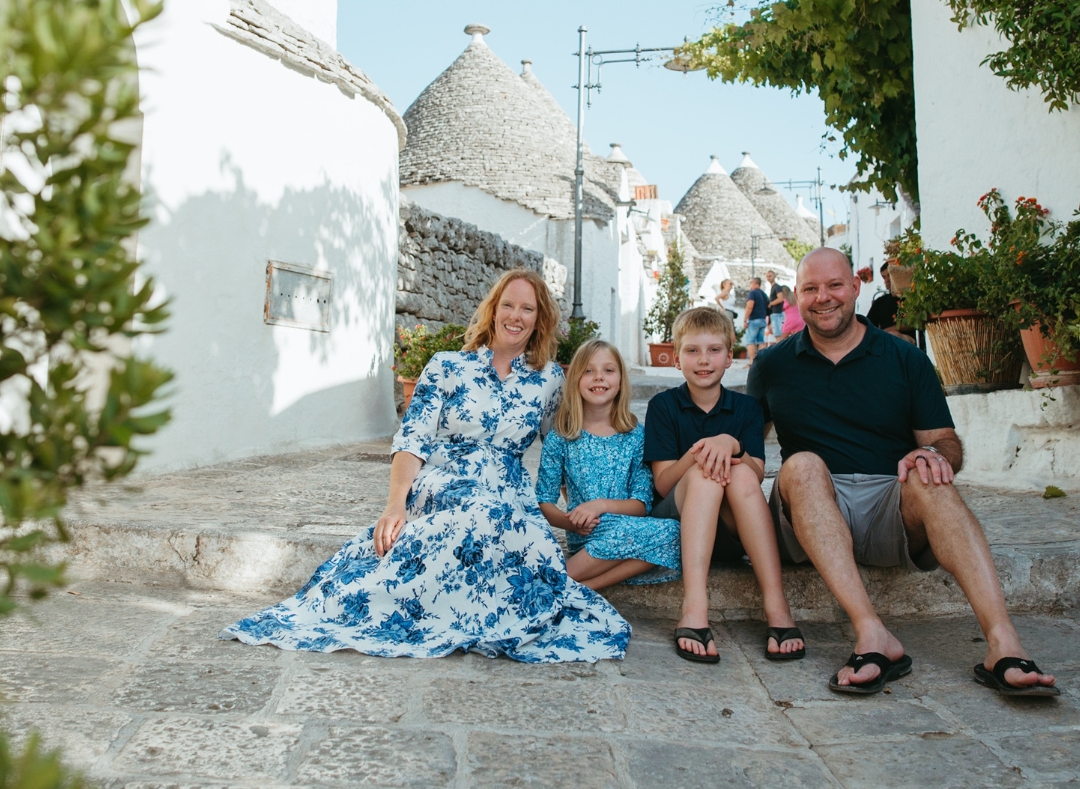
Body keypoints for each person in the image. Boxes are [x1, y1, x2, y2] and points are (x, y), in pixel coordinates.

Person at [220, 269, 631, 662]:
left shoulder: (548, 381)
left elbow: (567, 437)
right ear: (493, 310)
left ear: (539, 319)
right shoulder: (447, 366)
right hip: (444, 480)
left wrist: (613, 477)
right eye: (508, 305)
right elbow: (412, 439)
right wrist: (395, 504)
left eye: (527, 309)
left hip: (508, 490)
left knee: (526, 539)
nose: (516, 316)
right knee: (479, 511)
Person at [748, 248, 1059, 696]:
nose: (823, 297)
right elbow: (746, 445)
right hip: (811, 508)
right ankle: (872, 633)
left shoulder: (904, 357)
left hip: (890, 505)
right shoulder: (771, 365)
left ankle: (1003, 643)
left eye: (834, 285)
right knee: (801, 464)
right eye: (810, 289)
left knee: (932, 479)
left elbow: (946, 441)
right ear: (796, 297)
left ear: (856, 287)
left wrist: (934, 455)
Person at [643, 306, 804, 665]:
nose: (704, 360)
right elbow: (665, 483)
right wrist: (702, 451)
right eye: (692, 351)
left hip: (731, 535)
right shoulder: (663, 406)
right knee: (703, 474)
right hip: (678, 525)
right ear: (675, 358)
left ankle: (776, 606)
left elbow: (758, 473)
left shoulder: (747, 408)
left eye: (714, 350)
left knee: (742, 472)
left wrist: (730, 443)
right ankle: (694, 609)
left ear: (730, 357)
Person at [536, 339, 681, 590]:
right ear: (575, 381)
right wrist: (569, 522)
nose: (598, 378)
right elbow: (544, 501)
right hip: (586, 533)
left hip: (626, 525)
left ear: (621, 380)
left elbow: (641, 505)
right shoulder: (563, 435)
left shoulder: (635, 435)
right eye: (588, 371)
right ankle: (561, 578)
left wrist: (601, 505)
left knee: (676, 532)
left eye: (608, 370)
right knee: (650, 536)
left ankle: (583, 586)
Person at [866, 262, 916, 344]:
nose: (887, 280)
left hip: (908, 341)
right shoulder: (880, 302)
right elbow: (868, 325)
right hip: (884, 341)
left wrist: (890, 329)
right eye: (884, 277)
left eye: (889, 275)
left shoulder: (911, 298)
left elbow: (915, 323)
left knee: (893, 335)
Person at [741, 277, 770, 363]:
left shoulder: (752, 293)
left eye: (750, 283)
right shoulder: (764, 294)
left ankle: (752, 362)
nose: (750, 285)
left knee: (750, 341)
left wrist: (745, 320)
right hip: (763, 319)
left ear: (754, 283)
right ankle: (761, 362)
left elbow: (750, 306)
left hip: (754, 320)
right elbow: (768, 308)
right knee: (761, 341)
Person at [765, 269, 785, 343]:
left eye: (770, 276)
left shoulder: (777, 287)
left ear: (774, 276)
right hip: (774, 313)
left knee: (778, 334)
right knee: (776, 334)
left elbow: (780, 298)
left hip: (777, 313)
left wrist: (771, 304)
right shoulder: (773, 287)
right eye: (767, 276)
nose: (768, 277)